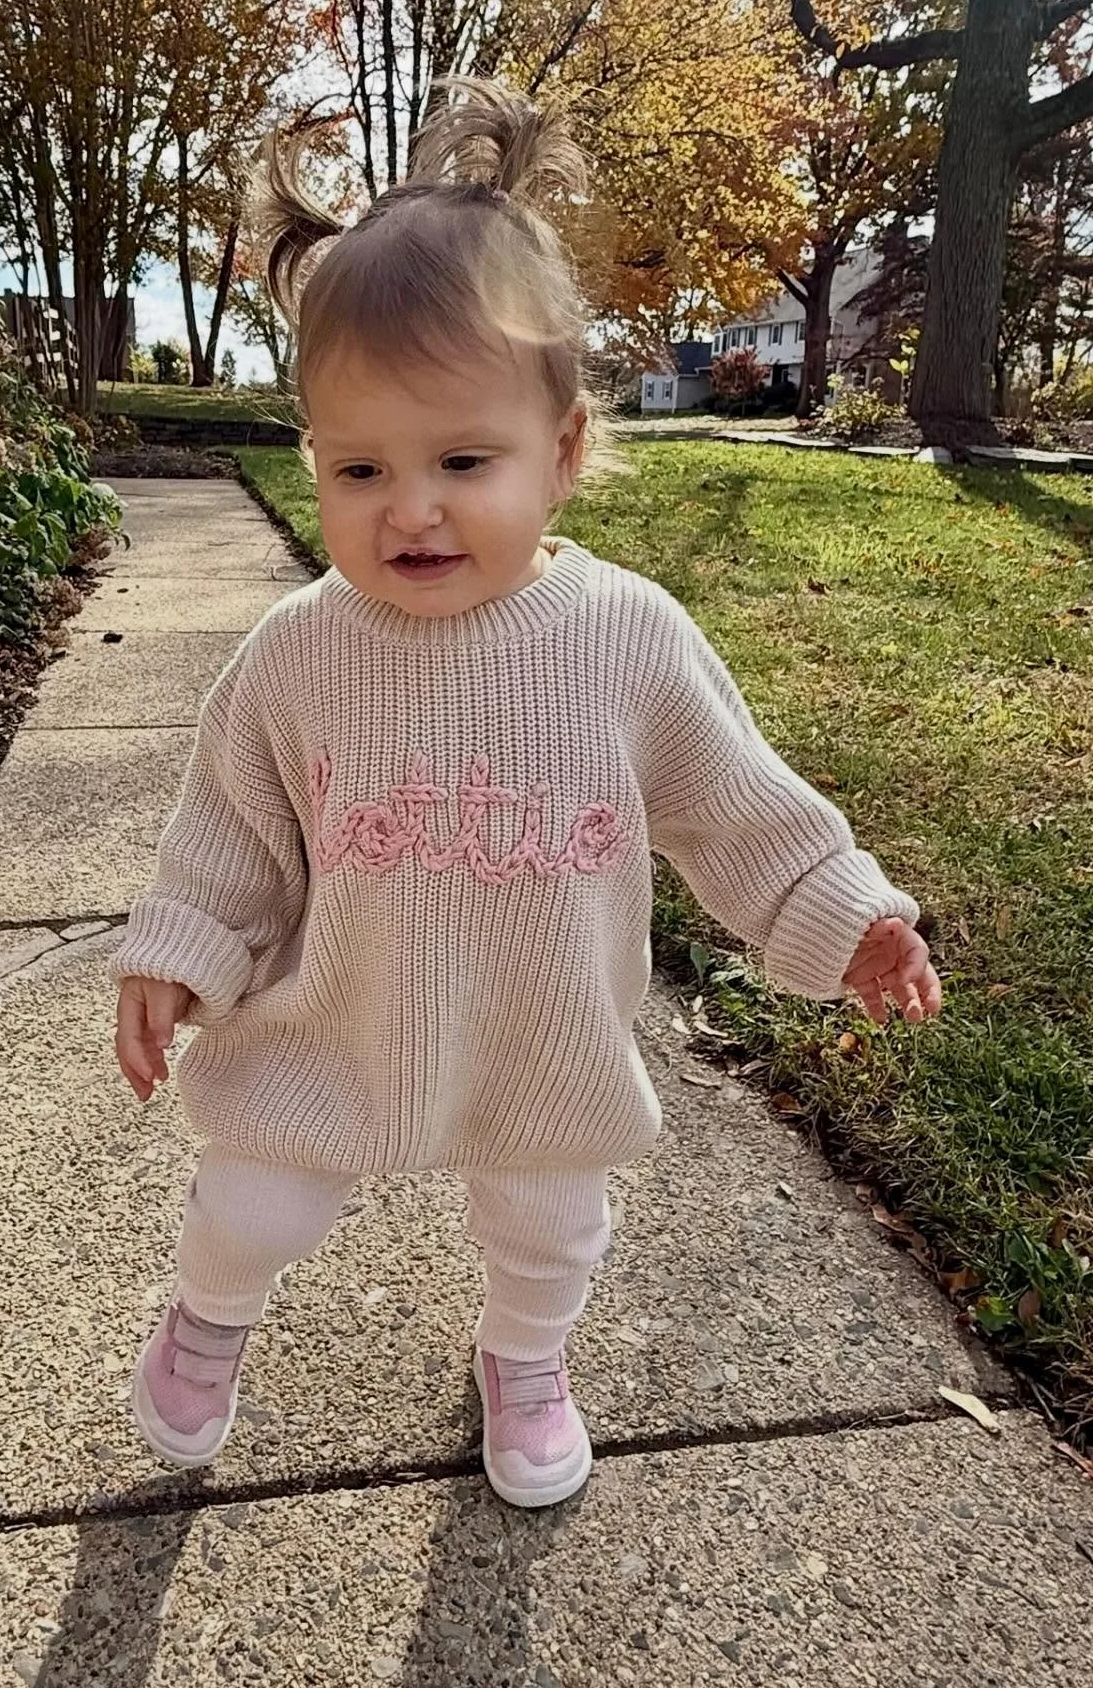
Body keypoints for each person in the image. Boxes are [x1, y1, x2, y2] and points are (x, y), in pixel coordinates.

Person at [112, 78, 941, 1509]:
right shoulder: (299, 651)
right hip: (342, 1022)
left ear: (561, 455)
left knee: (553, 1222)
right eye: (359, 467)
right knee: (254, 1197)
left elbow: (734, 803)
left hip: (544, 1028)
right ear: (311, 459)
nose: (410, 508)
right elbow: (233, 834)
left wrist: (841, 909)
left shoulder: (628, 637)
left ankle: (526, 1360)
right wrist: (181, 952)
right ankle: (207, 1314)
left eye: (462, 462)